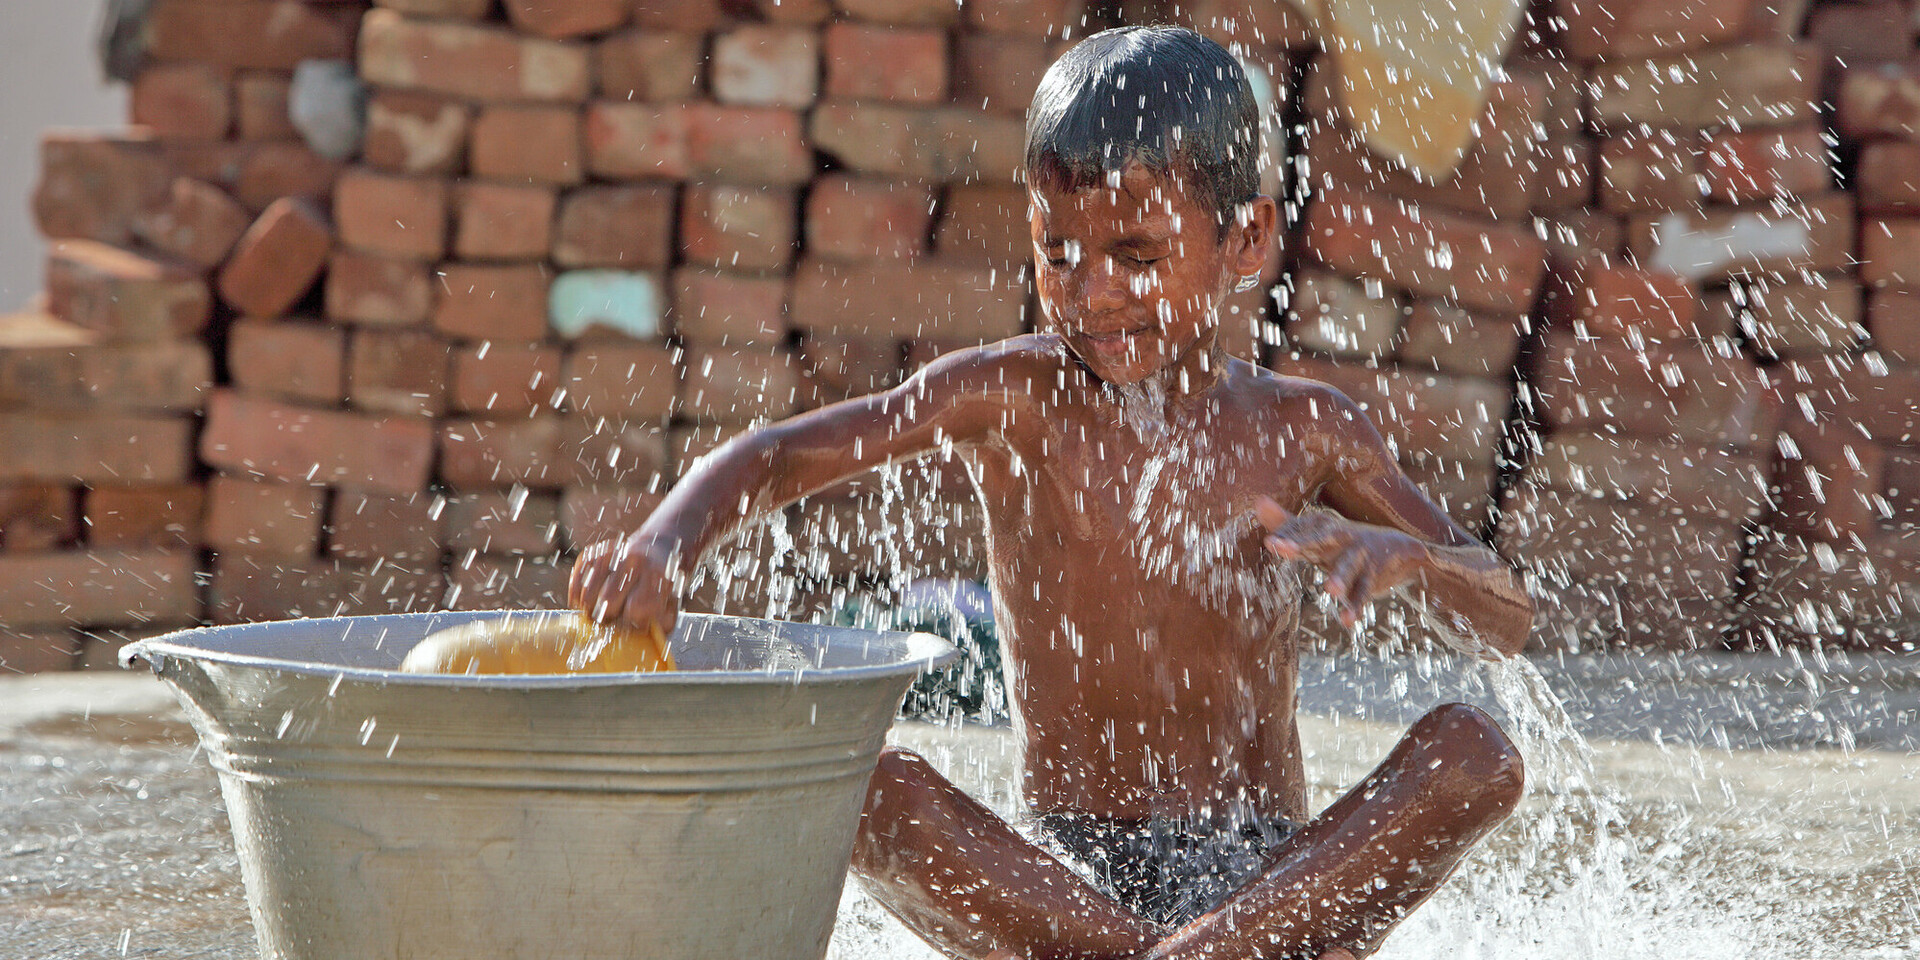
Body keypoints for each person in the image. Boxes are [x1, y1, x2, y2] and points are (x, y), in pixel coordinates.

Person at [569, 25, 1533, 960]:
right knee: (869, 789)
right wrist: (663, 545)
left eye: (1139, 257)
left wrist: (1417, 560)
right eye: (1058, 253)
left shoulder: (1306, 428)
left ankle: (1198, 952)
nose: (1092, 294)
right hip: (1063, 880)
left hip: (1270, 877)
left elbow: (1507, 617)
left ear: (1246, 240)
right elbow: (782, 455)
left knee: (1475, 753)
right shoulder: (1012, 395)